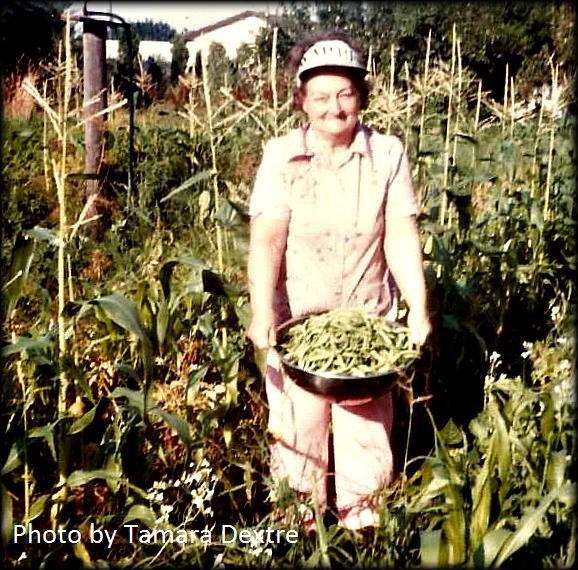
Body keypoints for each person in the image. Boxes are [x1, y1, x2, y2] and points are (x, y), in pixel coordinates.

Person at [247, 30, 431, 531]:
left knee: (367, 445)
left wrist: (417, 306)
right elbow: (267, 239)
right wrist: (262, 311)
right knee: (296, 440)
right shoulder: (281, 156)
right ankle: (298, 534)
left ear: (361, 97)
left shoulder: (387, 154)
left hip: (369, 321)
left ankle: (363, 533)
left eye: (346, 93)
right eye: (321, 95)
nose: (334, 106)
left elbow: (399, 232)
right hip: (298, 331)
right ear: (301, 100)